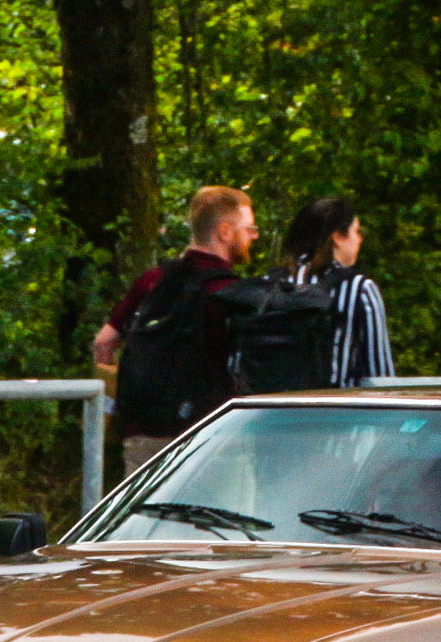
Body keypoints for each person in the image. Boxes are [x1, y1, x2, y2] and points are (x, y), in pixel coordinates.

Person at [93, 186, 257, 476]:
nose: (253, 236)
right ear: (225, 232)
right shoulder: (229, 292)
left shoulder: (152, 281)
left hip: (144, 434)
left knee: (145, 521)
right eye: (249, 228)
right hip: (211, 437)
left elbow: (104, 342)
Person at [282, 196, 395, 386]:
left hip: (273, 410)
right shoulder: (359, 289)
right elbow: (380, 374)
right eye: (356, 231)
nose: (360, 239)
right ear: (338, 237)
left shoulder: (274, 284)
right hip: (336, 410)